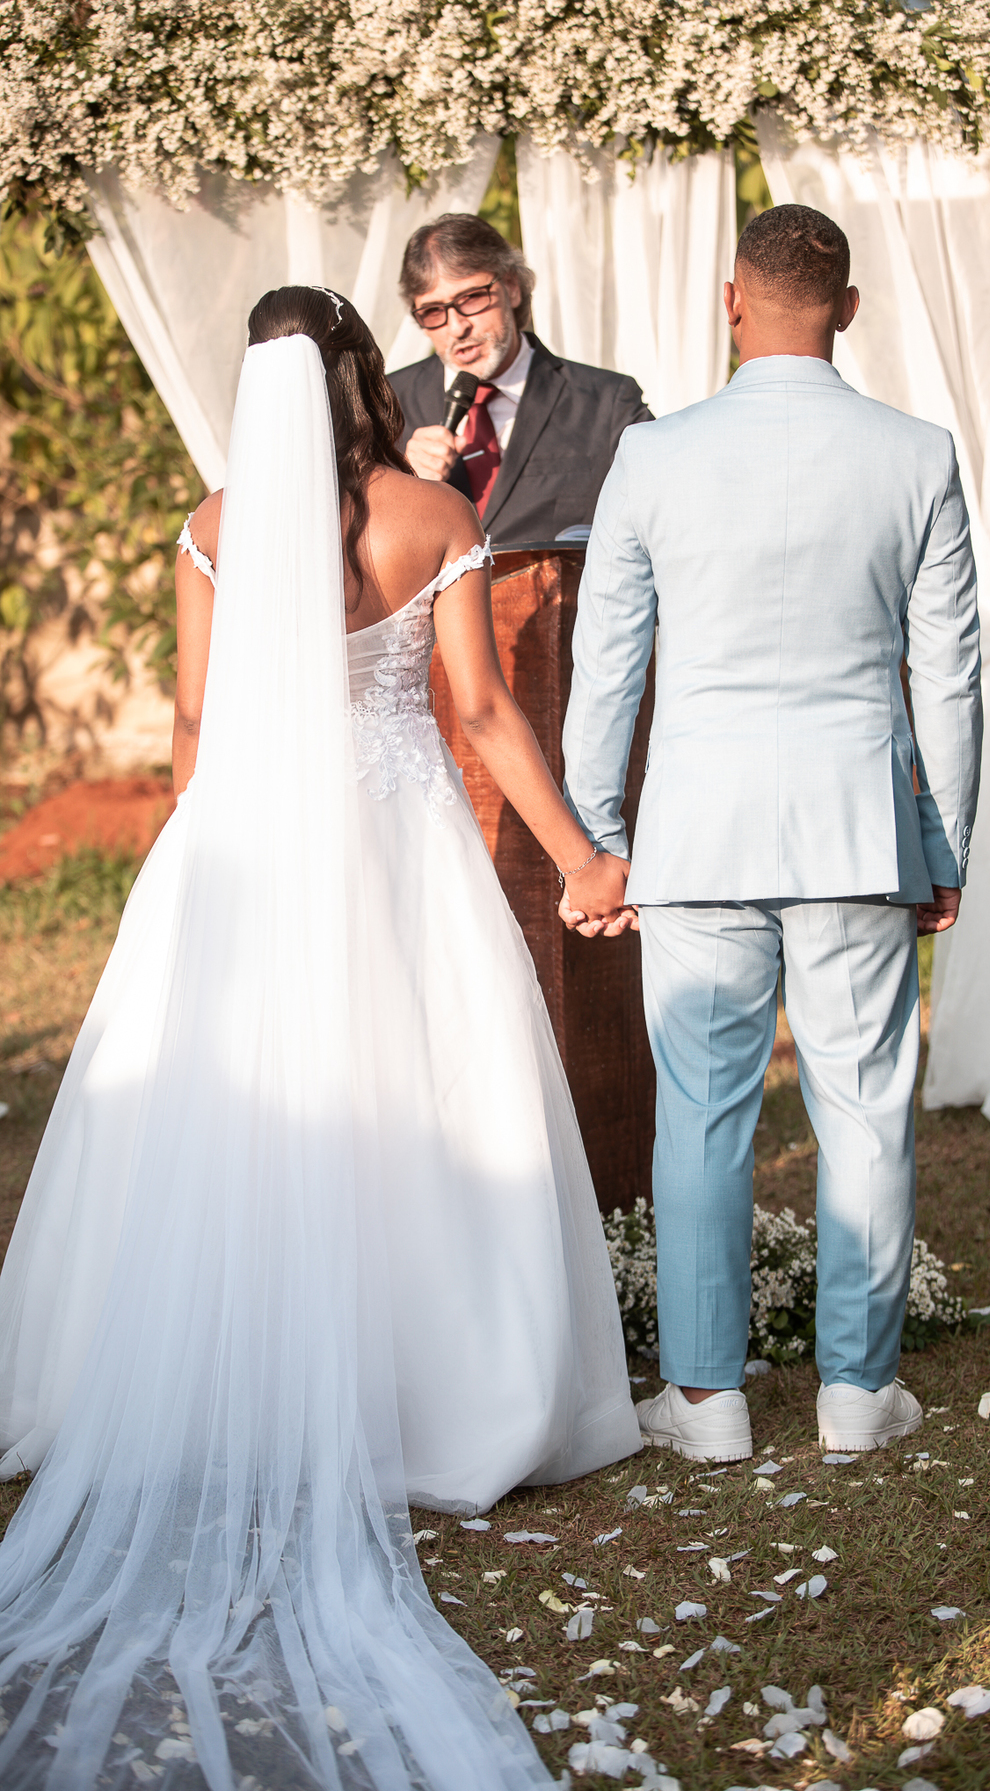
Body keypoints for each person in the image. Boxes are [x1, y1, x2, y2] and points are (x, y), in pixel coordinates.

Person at [0, 286, 641, 1789]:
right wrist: (582, 858)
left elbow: (194, 724)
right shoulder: (433, 517)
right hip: (400, 847)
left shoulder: (214, 524)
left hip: (243, 849)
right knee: (422, 1090)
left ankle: (179, 1384)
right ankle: (446, 1398)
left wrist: (198, 870)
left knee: (233, 1103)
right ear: (365, 378)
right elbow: (483, 714)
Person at [561, 204, 983, 1463]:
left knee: (700, 1115)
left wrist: (600, 831)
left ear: (731, 300)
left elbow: (606, 664)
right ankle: (857, 1393)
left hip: (698, 831)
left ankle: (707, 1402)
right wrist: (943, 844)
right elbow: (949, 675)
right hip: (858, 830)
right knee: (865, 1108)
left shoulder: (654, 455)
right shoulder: (916, 454)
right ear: (847, 308)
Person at [387, 213, 653, 547]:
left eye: (471, 298)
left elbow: (662, 523)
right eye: (433, 312)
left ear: (512, 287)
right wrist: (403, 489)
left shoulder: (607, 403)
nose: (457, 327)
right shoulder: (384, 403)